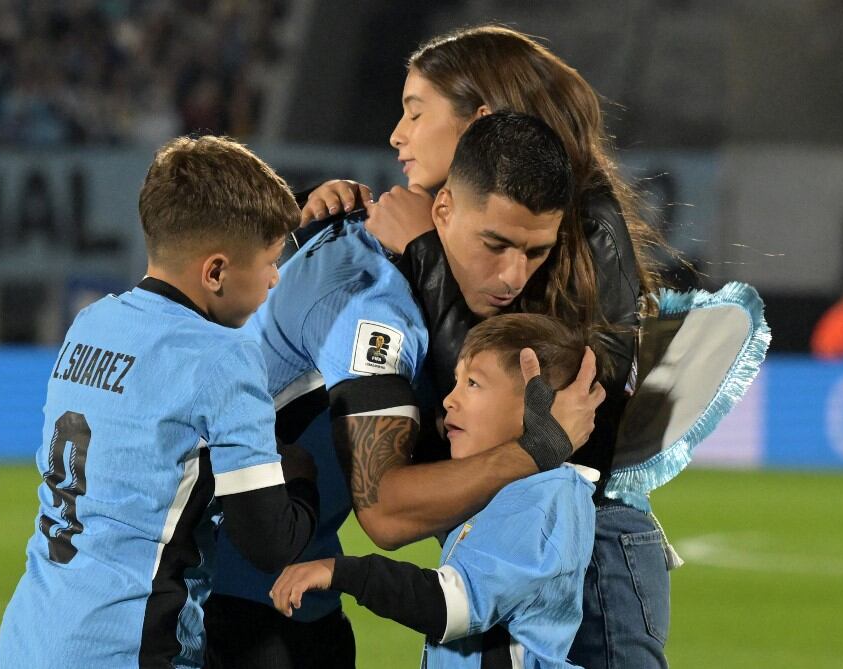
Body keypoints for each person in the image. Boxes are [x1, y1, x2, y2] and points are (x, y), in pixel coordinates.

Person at [295, 25, 677, 668]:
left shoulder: (587, 227)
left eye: (416, 111)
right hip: (502, 532)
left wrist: (424, 251)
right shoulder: (459, 228)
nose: (397, 133)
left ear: (481, 121)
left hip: (590, 552)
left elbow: (552, 417)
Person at [205, 112, 605, 669]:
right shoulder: (375, 309)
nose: (514, 276)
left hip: (288, 582)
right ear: (442, 210)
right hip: (227, 596)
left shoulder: (381, 254)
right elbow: (386, 514)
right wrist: (535, 452)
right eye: (496, 244)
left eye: (534, 252)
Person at [0, 136, 322, 669]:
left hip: (30, 637)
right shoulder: (222, 357)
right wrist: (305, 475)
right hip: (130, 647)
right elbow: (269, 541)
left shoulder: (93, 322)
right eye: (269, 261)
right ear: (216, 272)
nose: (275, 277)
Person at [271, 313, 600, 669]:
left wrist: (339, 571)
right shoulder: (516, 489)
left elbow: (449, 606)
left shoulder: (541, 503)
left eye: (473, 384)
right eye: (456, 382)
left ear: (537, 404)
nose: (449, 400)